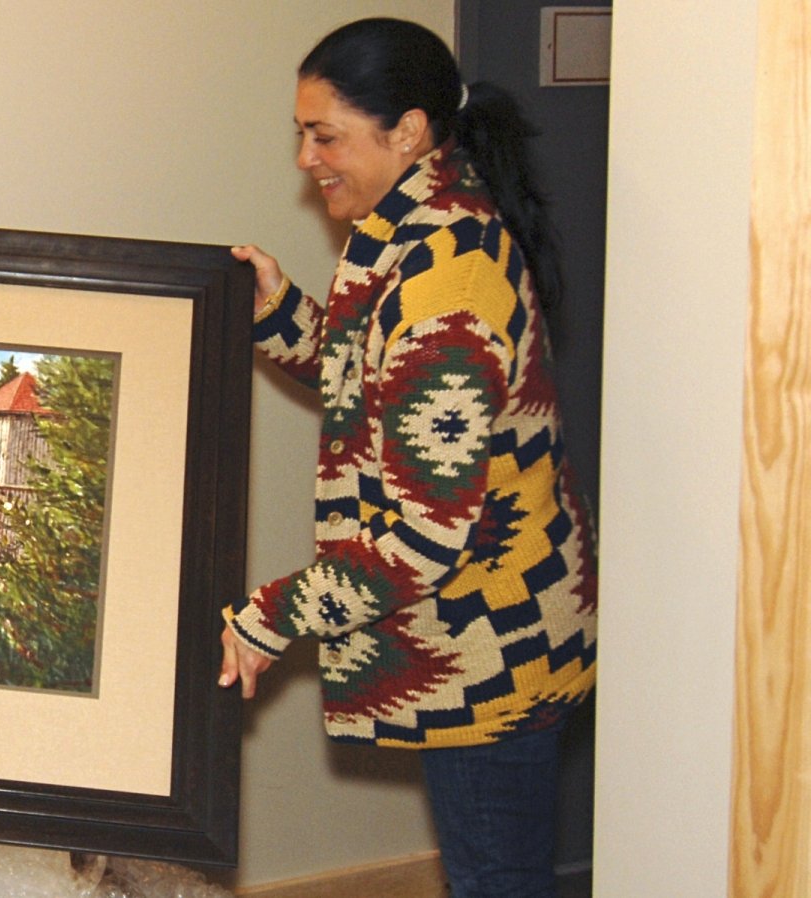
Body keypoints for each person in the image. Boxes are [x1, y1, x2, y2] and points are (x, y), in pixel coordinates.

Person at [216, 18, 597, 898]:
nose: (308, 158)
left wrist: (270, 617)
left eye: (326, 134)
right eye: (302, 134)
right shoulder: (416, 228)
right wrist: (280, 308)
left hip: (490, 655)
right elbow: (375, 383)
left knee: (496, 882)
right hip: (486, 631)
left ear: (409, 131)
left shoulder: (446, 282)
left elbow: (423, 539)